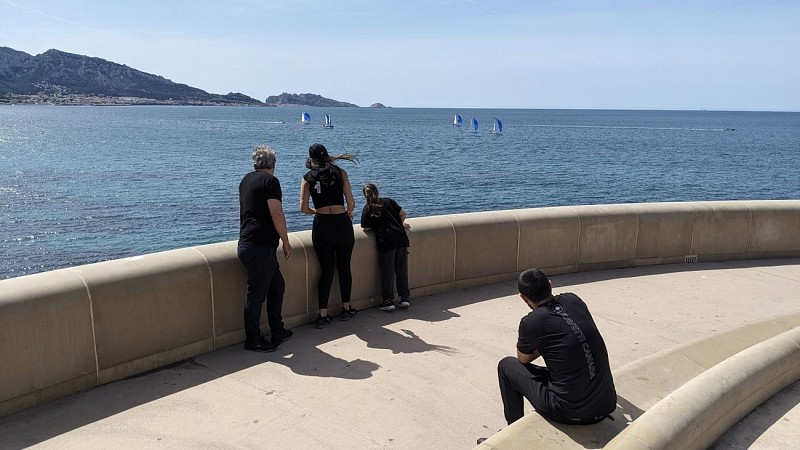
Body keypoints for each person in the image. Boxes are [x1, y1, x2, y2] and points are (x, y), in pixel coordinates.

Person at [495, 268, 616, 427]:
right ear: (550, 285)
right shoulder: (574, 300)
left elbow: (523, 358)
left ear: (524, 298)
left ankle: (510, 436)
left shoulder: (531, 322)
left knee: (506, 366)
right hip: (606, 403)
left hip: (570, 412)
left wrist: (544, 343)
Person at [238, 145, 293, 352]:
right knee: (255, 295)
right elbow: (276, 213)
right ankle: (252, 339)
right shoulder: (271, 181)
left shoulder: (246, 180)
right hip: (260, 247)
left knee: (276, 286)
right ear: (272, 164)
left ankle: (277, 329)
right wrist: (286, 241)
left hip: (248, 243)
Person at [300, 143, 358, 329]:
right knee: (344, 267)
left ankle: (323, 314)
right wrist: (348, 212)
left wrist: (316, 211)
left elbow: (303, 207)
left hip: (322, 224)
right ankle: (346, 308)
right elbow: (351, 202)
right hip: (342, 223)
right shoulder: (340, 173)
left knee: (326, 270)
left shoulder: (307, 178)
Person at [360, 183, 411, 311]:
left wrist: (377, 225)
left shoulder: (368, 208)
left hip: (386, 241)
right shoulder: (388, 201)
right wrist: (400, 223)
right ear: (377, 191)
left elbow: (365, 227)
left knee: (387, 271)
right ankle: (404, 298)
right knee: (401, 270)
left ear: (365, 195)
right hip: (400, 237)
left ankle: (388, 301)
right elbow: (402, 213)